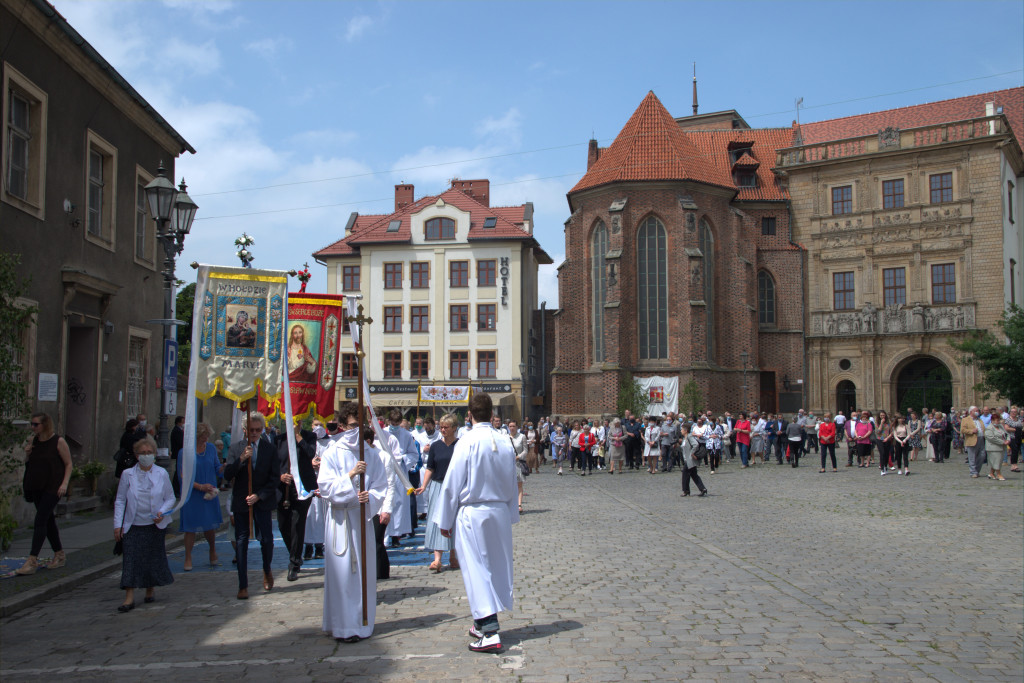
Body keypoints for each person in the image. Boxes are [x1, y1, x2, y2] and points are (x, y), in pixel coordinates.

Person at [434, 392, 519, 653]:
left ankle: (490, 631)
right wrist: (511, 513)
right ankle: (481, 622)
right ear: (492, 412)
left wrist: (444, 520)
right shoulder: (504, 439)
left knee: (476, 569)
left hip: (473, 511)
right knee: (494, 566)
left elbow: (452, 484)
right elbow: (512, 478)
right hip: (499, 511)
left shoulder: (467, 441)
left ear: (469, 414)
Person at [318, 403, 388, 642]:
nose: (357, 430)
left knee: (361, 575)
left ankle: (361, 623)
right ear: (342, 426)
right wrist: (349, 477)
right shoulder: (332, 452)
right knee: (342, 574)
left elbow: (381, 485)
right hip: (340, 520)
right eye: (351, 426)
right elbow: (325, 488)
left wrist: (371, 497)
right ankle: (341, 626)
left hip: (361, 521)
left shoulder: (372, 454)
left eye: (360, 425)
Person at [112, 436, 175, 611]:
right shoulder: (128, 474)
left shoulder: (161, 474)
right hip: (133, 525)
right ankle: (129, 597)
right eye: (142, 453)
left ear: (154, 454)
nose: (146, 456)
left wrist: (162, 512)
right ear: (136, 455)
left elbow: (170, 498)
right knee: (131, 559)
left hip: (154, 524)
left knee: (151, 558)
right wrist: (118, 524)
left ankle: (150, 588)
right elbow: (120, 500)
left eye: (149, 453)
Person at [224, 413, 280, 599]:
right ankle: (243, 584)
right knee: (241, 542)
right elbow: (227, 474)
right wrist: (241, 459)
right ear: (245, 430)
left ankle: (266, 569)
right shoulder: (235, 448)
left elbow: (274, 479)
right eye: (251, 430)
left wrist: (259, 495)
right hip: (242, 500)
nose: (254, 433)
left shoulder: (269, 449)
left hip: (261, 500)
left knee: (266, 540)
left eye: (258, 430)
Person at [16, 413, 73, 575]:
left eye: (36, 424)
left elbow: (68, 464)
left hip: (53, 487)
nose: (33, 427)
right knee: (48, 520)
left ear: (45, 425)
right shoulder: (33, 441)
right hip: (36, 485)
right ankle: (59, 554)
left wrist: (65, 483)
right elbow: (30, 463)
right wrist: (27, 454)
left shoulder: (58, 441)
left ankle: (32, 560)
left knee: (40, 519)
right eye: (32, 424)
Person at [415, 413, 459, 572]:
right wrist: (424, 486)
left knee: (454, 520)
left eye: (446, 427)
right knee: (436, 520)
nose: (443, 430)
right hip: (438, 486)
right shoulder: (435, 446)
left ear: (454, 428)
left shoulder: (460, 445)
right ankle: (437, 559)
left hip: (455, 487)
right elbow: (430, 468)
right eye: (441, 427)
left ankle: (454, 555)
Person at [177, 422, 224, 571]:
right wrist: (200, 487)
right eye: (203, 436)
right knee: (190, 527)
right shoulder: (184, 452)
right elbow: (183, 476)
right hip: (193, 494)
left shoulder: (210, 448)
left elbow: (217, 468)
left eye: (207, 436)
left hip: (209, 494)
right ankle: (188, 557)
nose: (206, 439)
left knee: (209, 525)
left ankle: (212, 550)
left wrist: (225, 467)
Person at [276, 422, 318, 581]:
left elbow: (310, 453)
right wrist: (280, 475)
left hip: (302, 487)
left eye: (298, 422)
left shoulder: (309, 437)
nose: (295, 424)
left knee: (297, 524)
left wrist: (297, 436)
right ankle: (295, 553)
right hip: (283, 488)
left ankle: (294, 563)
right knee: (283, 525)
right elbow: (274, 462)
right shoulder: (278, 439)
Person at [679, 424, 707, 497]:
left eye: (682, 429)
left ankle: (686, 490)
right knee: (694, 475)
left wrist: (692, 453)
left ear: (685, 430)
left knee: (685, 474)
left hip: (690, 460)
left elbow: (695, 444)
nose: (681, 431)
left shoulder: (689, 436)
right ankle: (702, 488)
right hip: (687, 459)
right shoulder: (684, 438)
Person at [508, 420, 527, 509]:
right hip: (508, 464)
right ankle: (511, 503)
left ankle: (519, 504)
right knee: (509, 485)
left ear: (517, 427)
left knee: (519, 484)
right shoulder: (505, 438)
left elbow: (525, 450)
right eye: (510, 426)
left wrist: (518, 457)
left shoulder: (522, 437)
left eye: (513, 426)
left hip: (518, 463)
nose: (512, 428)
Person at [960, 407, 983, 478]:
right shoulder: (965, 419)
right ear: (971, 412)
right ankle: (973, 472)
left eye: (977, 410)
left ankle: (977, 470)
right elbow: (963, 430)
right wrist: (971, 431)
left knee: (982, 455)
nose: (977, 412)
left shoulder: (979, 420)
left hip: (981, 439)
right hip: (972, 439)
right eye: (975, 411)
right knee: (972, 456)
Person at [984, 414, 1009, 481]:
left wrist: (1008, 439)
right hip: (993, 448)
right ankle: (999, 474)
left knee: (998, 461)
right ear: (992, 420)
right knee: (996, 461)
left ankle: (991, 473)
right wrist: (1002, 442)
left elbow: (1006, 433)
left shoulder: (1000, 426)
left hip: (1001, 447)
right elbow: (991, 438)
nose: (998, 422)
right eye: (997, 420)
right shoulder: (989, 428)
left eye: (999, 420)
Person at [875, 411, 893, 475]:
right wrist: (881, 424)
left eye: (883, 415)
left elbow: (891, 431)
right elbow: (878, 431)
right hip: (879, 439)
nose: (882, 417)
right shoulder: (877, 423)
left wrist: (887, 438)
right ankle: (882, 468)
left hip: (887, 439)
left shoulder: (889, 423)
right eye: (881, 415)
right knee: (882, 453)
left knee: (886, 454)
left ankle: (885, 466)